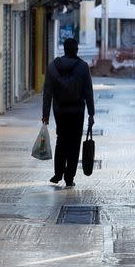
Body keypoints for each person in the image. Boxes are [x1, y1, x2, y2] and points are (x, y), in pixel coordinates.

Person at [42, 38, 95, 187]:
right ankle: (69, 177)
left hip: (60, 110)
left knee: (61, 140)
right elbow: (88, 92)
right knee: (74, 143)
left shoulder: (53, 66)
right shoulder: (83, 67)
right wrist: (91, 113)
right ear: (77, 50)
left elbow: (47, 92)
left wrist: (45, 114)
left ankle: (58, 173)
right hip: (77, 111)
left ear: (63, 49)